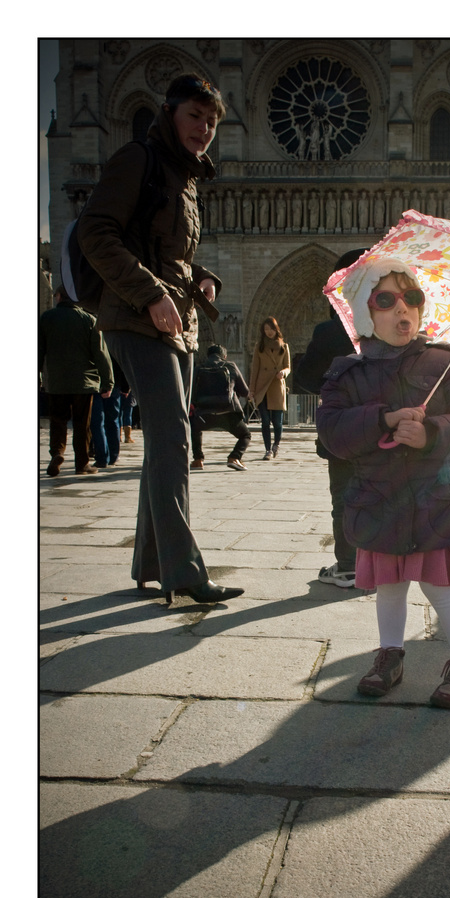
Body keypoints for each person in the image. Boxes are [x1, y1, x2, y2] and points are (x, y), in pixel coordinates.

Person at [77, 73, 244, 604]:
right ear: (169, 112)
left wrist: (199, 275)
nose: (204, 129)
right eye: (195, 116)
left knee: (166, 445)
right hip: (134, 316)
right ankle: (185, 572)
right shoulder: (137, 159)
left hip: (177, 321)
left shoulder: (187, 177)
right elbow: (95, 233)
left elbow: (165, 248)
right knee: (172, 437)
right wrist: (151, 292)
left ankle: (151, 562)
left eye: (213, 121)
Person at [316, 259, 450, 708]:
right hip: (378, 498)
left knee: (440, 588)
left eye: (411, 298)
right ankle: (389, 656)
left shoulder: (445, 360)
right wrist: (383, 420)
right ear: (364, 311)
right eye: (386, 300)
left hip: (435, 497)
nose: (402, 309)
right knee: (389, 586)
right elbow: (332, 431)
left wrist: (432, 431)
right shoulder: (347, 372)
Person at [294, 248, 366, 587]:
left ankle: (349, 565)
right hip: (386, 429)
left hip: (342, 431)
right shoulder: (392, 325)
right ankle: (380, 564)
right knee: (381, 496)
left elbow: (307, 379)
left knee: (345, 498)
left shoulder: (329, 331)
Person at [39, 285, 114, 476]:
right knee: (82, 424)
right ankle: (82, 464)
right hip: (84, 382)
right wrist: (108, 382)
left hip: (56, 381)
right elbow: (100, 354)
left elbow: (38, 351)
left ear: (59, 297)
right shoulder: (88, 320)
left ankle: (57, 453)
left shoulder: (46, 319)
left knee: (58, 421)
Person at [189, 344, 252, 471]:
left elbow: (190, 391)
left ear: (208, 356)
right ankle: (234, 457)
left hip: (203, 414)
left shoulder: (199, 368)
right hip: (228, 414)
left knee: (195, 429)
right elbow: (245, 392)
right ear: (224, 356)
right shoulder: (230, 366)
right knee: (245, 435)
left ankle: (198, 460)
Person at [249, 317, 291, 460]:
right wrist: (251, 390)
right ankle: (268, 450)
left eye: (271, 329)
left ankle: (276, 445)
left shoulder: (284, 347)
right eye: (266, 329)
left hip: (277, 386)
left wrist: (283, 373)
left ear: (276, 329)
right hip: (262, 387)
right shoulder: (259, 346)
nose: (269, 332)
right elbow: (255, 369)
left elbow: (288, 367)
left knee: (277, 422)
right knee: (265, 421)